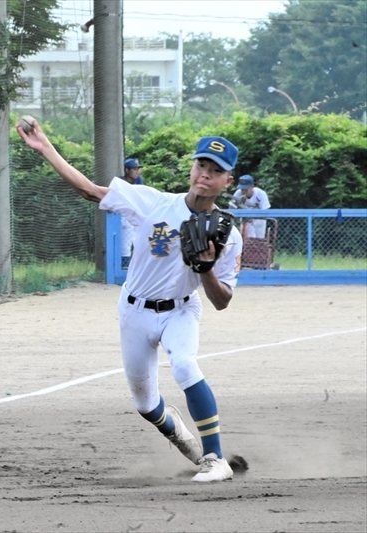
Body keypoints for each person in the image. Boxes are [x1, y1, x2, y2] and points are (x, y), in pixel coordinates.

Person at [17, 118, 244, 483]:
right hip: (134, 310)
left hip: (181, 310)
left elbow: (222, 300)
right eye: (202, 164)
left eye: (216, 171)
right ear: (193, 167)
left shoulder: (228, 235)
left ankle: (216, 459)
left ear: (226, 181)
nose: (205, 174)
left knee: (185, 366)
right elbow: (91, 191)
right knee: (144, 404)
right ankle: (181, 436)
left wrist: (205, 269)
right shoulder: (153, 203)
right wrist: (46, 148)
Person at [119, 158, 145, 268]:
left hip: (132, 213)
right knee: (120, 241)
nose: (137, 171)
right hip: (119, 213)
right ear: (127, 170)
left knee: (130, 240)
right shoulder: (119, 181)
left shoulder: (139, 181)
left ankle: (126, 264)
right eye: (134, 169)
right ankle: (121, 264)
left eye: (137, 169)